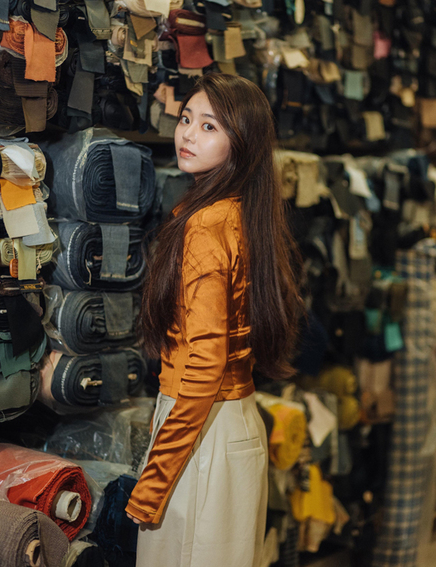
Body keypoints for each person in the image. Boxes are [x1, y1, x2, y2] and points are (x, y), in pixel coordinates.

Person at [124, 73, 303, 567]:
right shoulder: (242, 211)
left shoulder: (205, 223)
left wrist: (151, 486)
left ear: (239, 145)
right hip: (232, 426)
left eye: (209, 127)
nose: (187, 135)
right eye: (186, 119)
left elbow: (204, 364)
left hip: (198, 432)